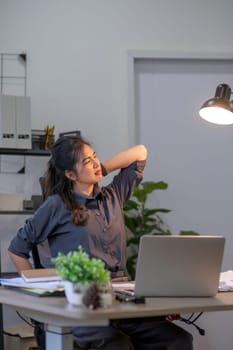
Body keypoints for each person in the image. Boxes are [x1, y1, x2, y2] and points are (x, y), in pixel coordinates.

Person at [8, 135, 193, 350]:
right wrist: (38, 293)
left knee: (177, 340)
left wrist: (101, 168)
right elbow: (17, 249)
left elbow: (140, 152)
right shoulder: (56, 205)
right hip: (83, 303)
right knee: (117, 345)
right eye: (87, 162)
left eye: (95, 157)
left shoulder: (113, 195)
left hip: (120, 301)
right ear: (69, 174)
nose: (95, 163)